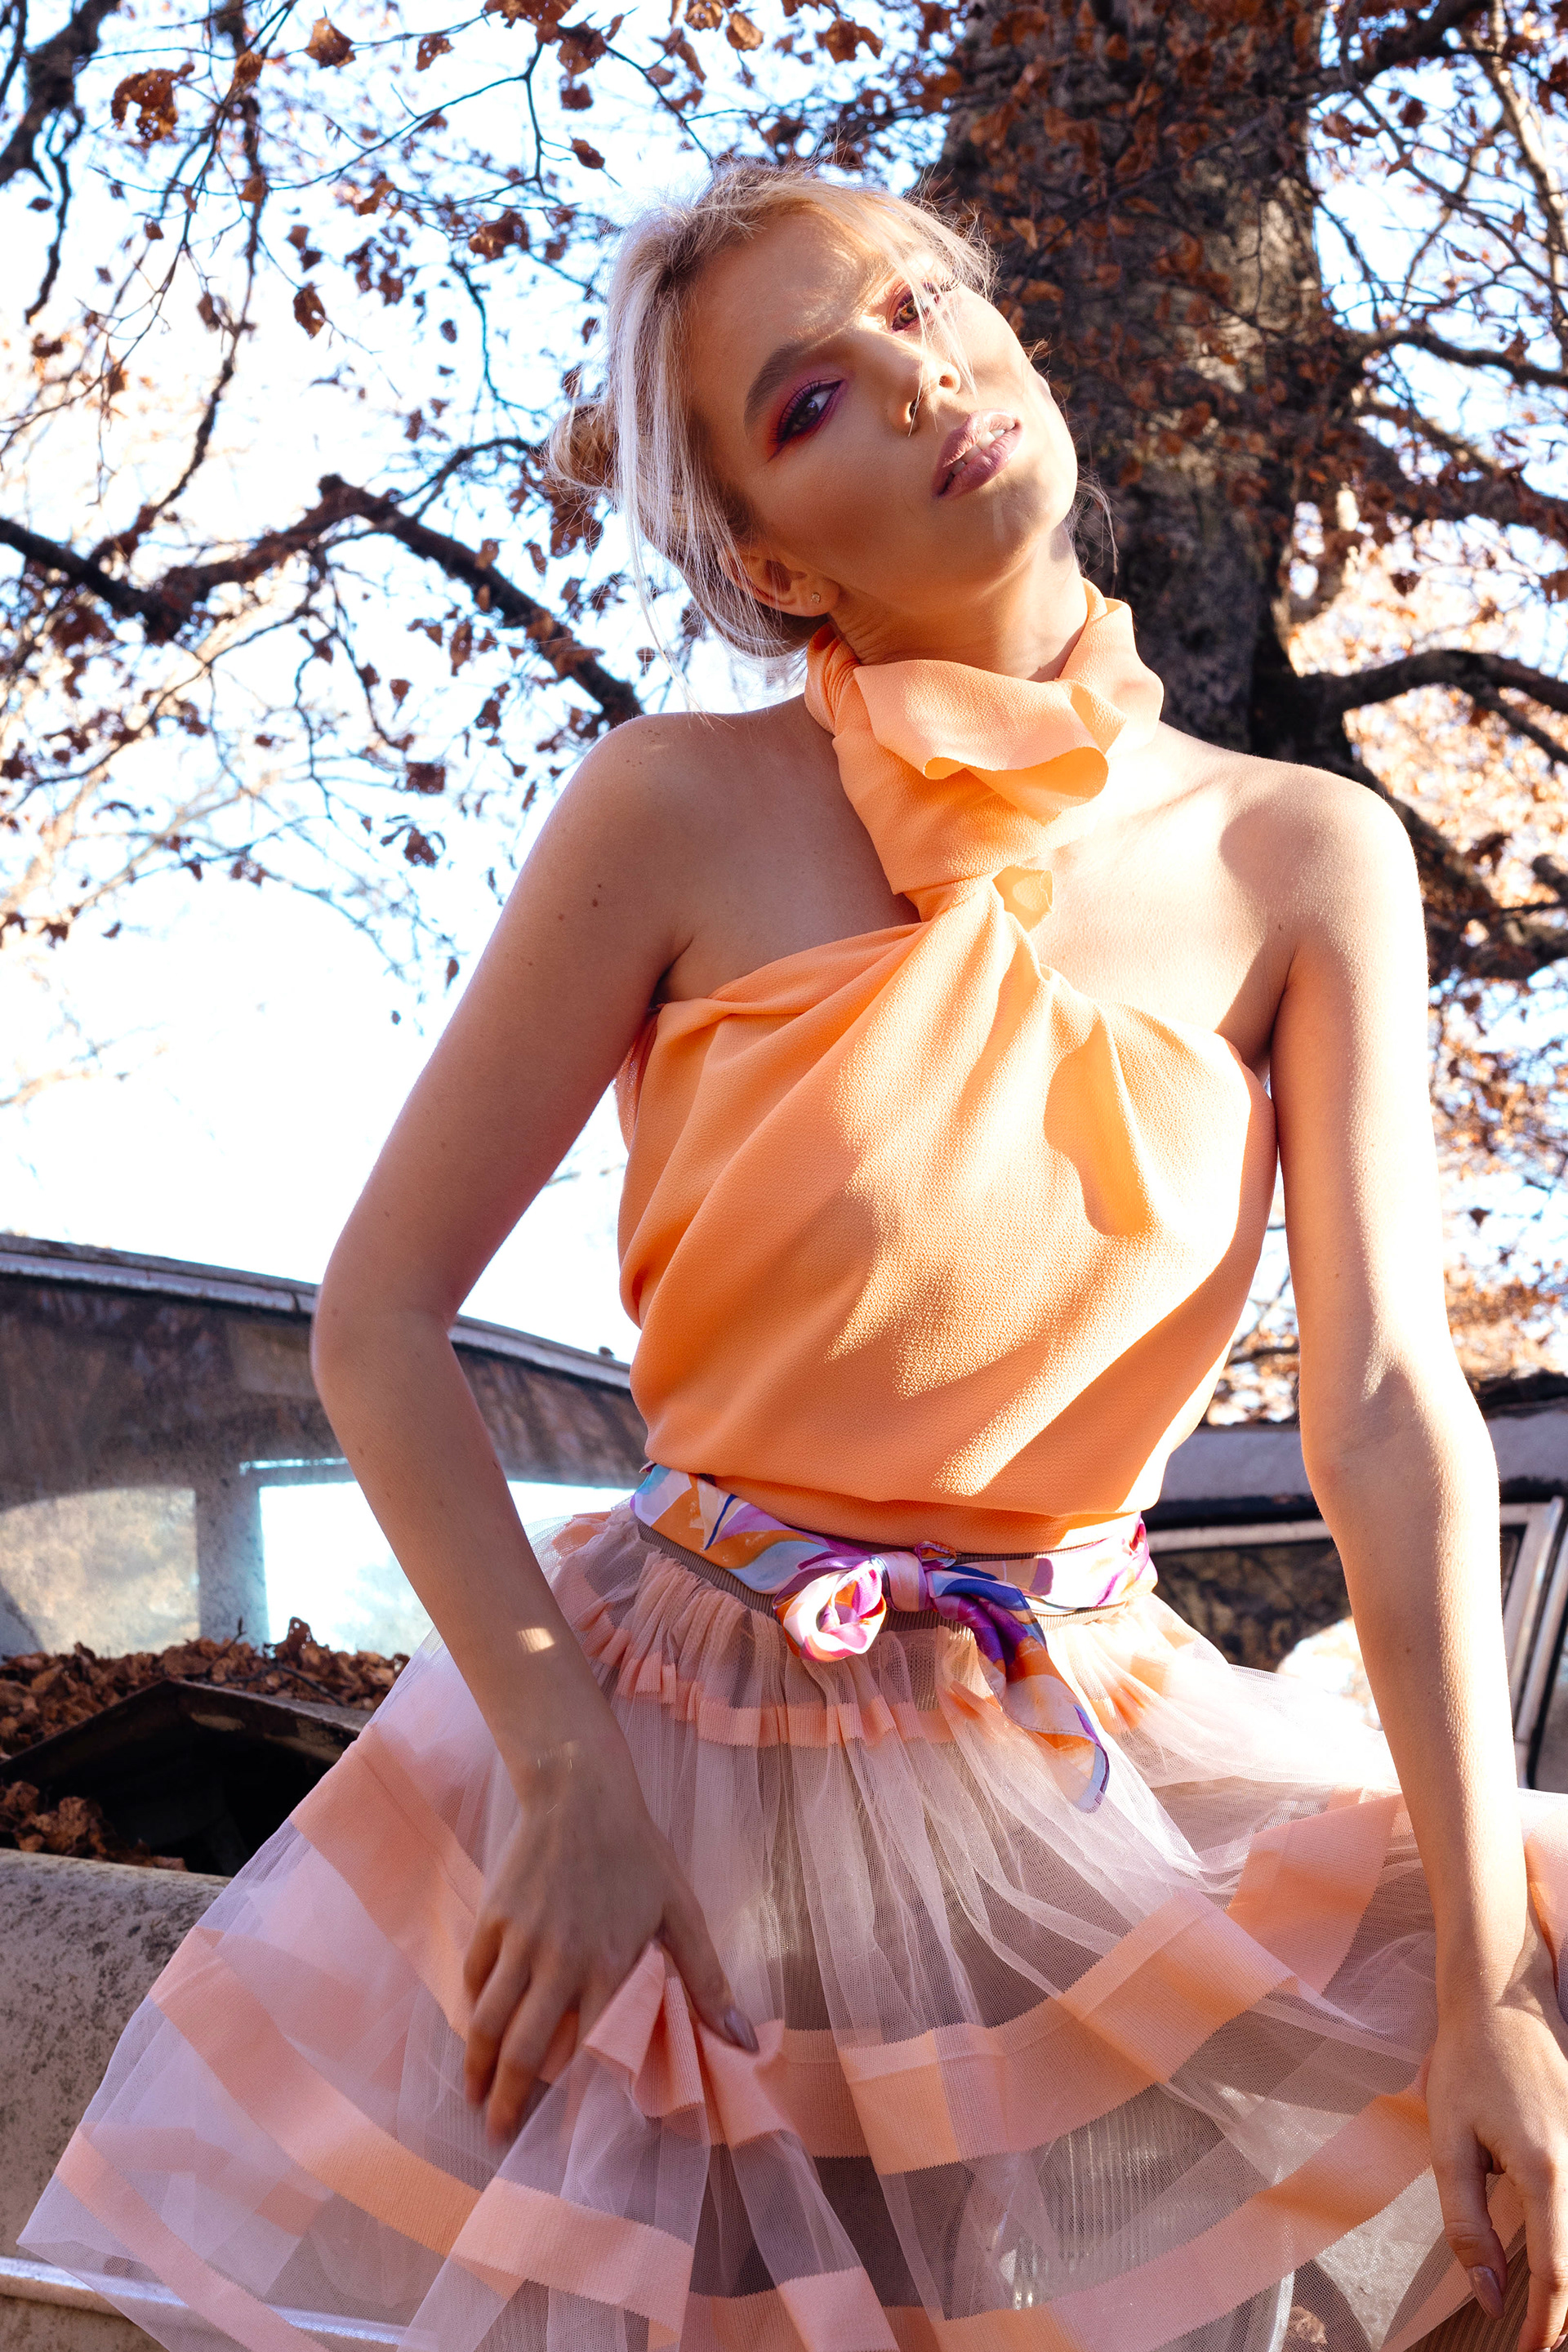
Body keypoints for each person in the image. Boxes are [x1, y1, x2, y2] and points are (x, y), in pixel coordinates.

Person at [22, 161, 1568, 2352]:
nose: (923, 377)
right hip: (685, 1737)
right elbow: (378, 1320)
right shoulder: (676, 809)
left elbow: (1394, 1407)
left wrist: (1490, 1984)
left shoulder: (1304, 854)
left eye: (926, 302)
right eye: (814, 395)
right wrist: (565, 1775)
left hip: (1072, 1741)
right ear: (771, 560)